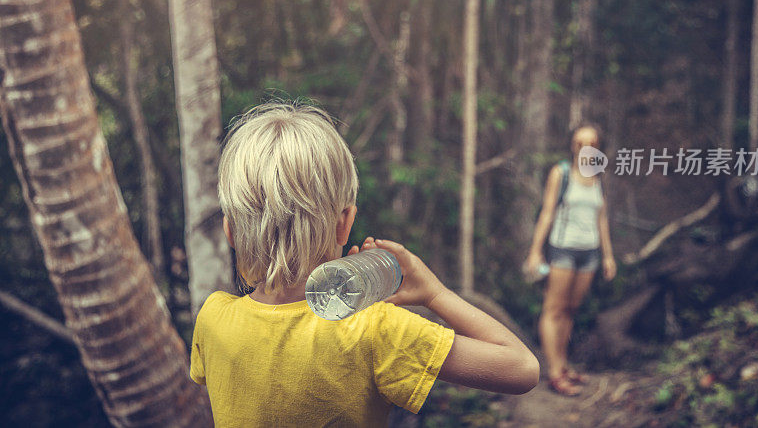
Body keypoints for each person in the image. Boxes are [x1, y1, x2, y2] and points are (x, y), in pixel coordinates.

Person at [190, 101, 539, 427]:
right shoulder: (373, 329)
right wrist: (435, 293)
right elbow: (522, 368)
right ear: (345, 222)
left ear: (230, 231)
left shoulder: (213, 318)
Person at [522, 124, 616, 396]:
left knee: (571, 310)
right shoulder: (561, 173)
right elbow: (547, 213)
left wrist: (608, 255)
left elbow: (602, 218)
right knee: (554, 309)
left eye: (591, 143)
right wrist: (535, 251)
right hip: (562, 249)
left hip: (590, 253)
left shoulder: (599, 175)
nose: (584, 148)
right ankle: (554, 373)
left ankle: (563, 366)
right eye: (579, 143)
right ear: (572, 146)